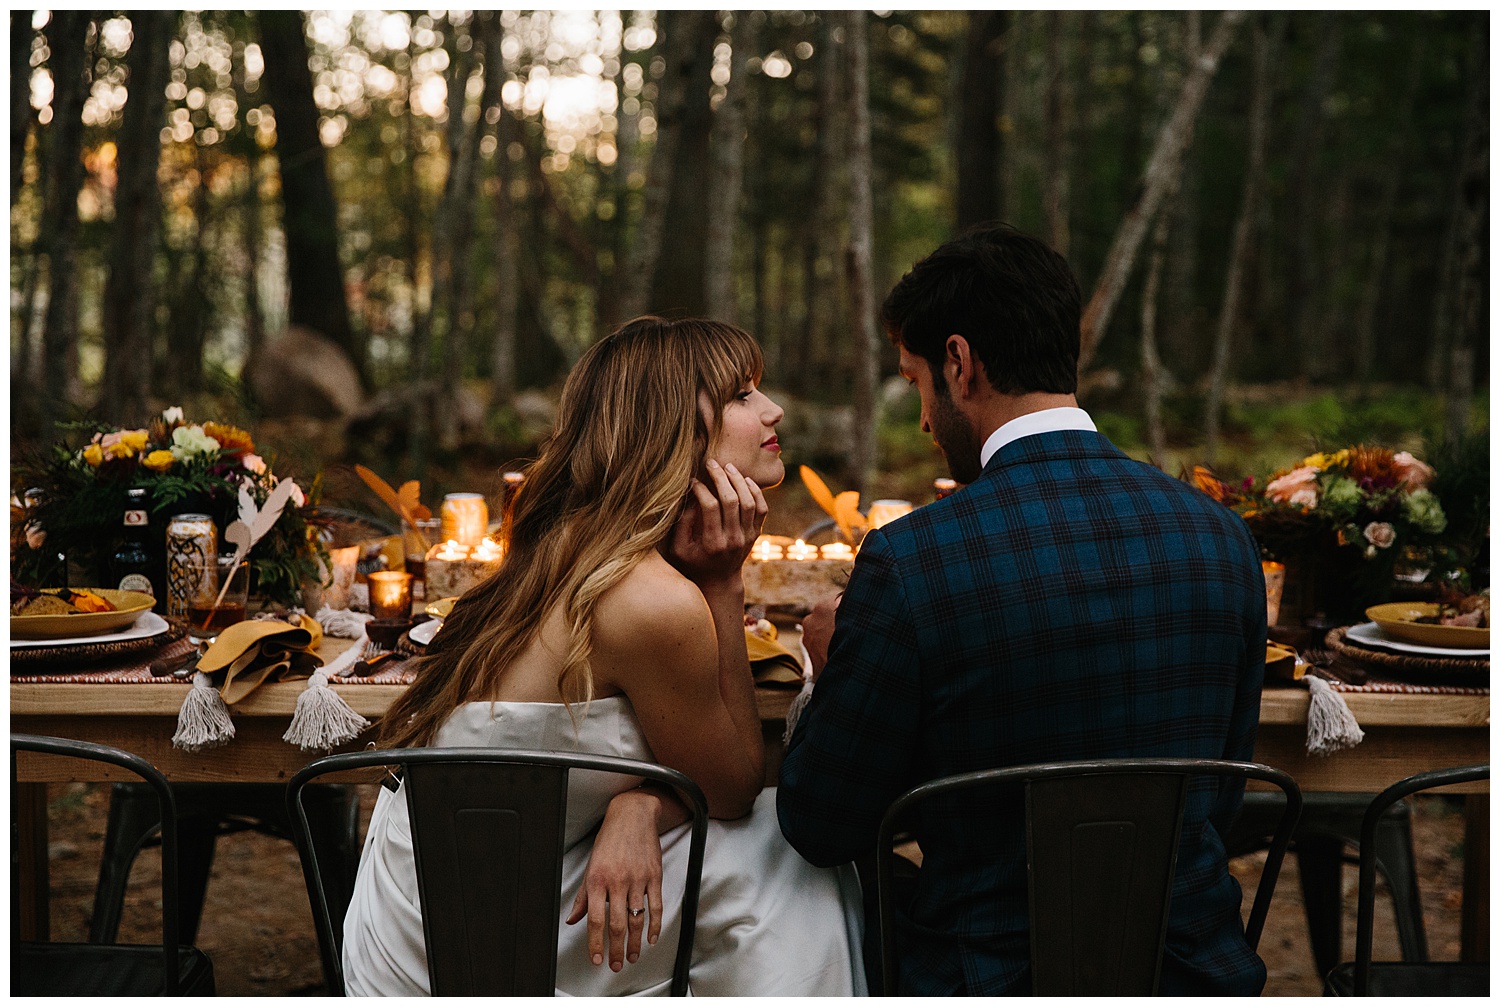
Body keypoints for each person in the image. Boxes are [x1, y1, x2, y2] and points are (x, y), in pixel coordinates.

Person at [777, 224, 1267, 996]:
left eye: (915, 384)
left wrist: (828, 670)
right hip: (1187, 973)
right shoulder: (1221, 537)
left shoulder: (913, 561)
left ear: (960, 363)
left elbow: (820, 823)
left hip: (981, 976)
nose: (924, 421)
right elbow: (1220, 794)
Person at [343, 317, 866, 996]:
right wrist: (722, 582)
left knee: (759, 847)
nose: (773, 410)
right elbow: (732, 786)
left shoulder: (571, 541)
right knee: (790, 853)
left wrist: (641, 805)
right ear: (672, 426)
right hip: (470, 935)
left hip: (438, 880)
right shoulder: (652, 600)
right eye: (741, 395)